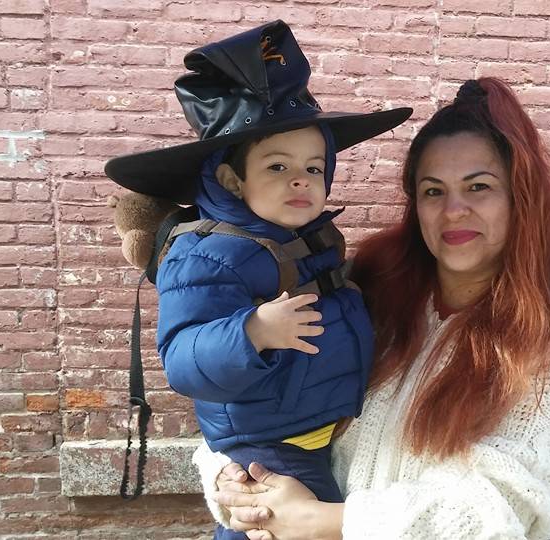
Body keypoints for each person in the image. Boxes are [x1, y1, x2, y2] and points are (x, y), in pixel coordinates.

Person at [191, 77, 550, 540]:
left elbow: (508, 501)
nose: (454, 210)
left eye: (479, 186)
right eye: (433, 191)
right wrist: (232, 483)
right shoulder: (362, 290)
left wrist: (323, 522)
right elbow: (244, 399)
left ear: (519, 197)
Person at [102, 21, 411, 539]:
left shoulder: (304, 238)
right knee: (280, 526)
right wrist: (253, 332)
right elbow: (182, 359)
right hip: (272, 446)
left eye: (314, 168)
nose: (301, 179)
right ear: (231, 179)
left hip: (316, 430)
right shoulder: (209, 256)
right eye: (276, 167)